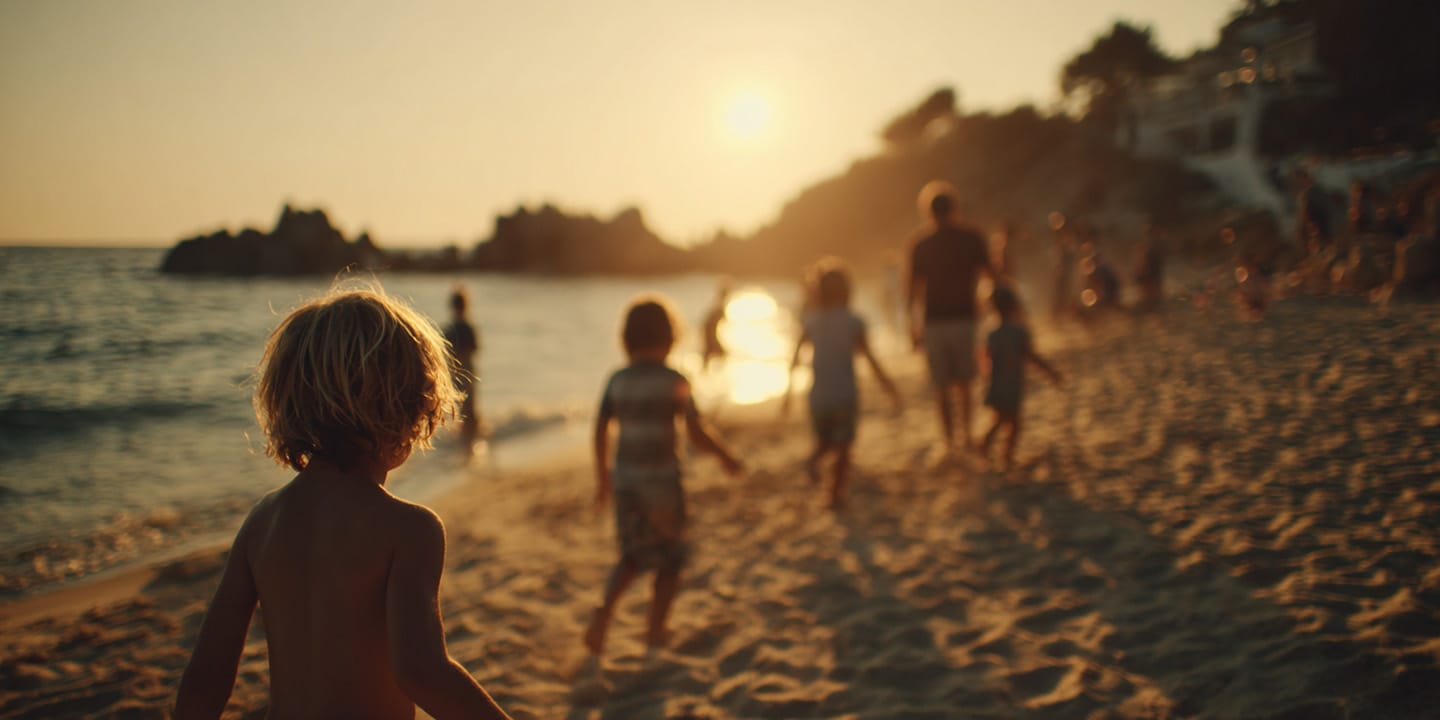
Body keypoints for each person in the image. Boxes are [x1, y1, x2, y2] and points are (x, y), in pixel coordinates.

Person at [174, 287, 511, 720]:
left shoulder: (262, 523)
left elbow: (207, 675)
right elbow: (422, 672)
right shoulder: (408, 530)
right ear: (408, 410)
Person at [585, 297, 742, 657]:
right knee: (670, 559)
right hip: (664, 487)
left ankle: (604, 613)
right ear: (671, 337)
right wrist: (726, 456)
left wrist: (603, 481)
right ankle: (655, 630)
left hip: (626, 484)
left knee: (632, 556)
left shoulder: (617, 380)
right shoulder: (675, 380)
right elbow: (697, 432)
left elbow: (598, 430)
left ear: (625, 339)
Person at [784, 259, 900, 509]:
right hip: (845, 395)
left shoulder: (811, 321)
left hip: (818, 397)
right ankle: (835, 494)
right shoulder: (853, 321)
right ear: (848, 290)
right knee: (843, 449)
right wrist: (889, 388)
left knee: (824, 443)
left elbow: (794, 359)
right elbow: (870, 359)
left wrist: (787, 395)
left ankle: (813, 461)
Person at [906, 181, 995, 454]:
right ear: (955, 208)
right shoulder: (971, 237)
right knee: (964, 381)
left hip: (934, 321)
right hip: (965, 318)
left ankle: (949, 440)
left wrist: (912, 326)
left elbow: (911, 291)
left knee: (941, 385)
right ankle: (966, 435)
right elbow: (991, 276)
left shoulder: (920, 244)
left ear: (927, 212)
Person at [980, 285, 1062, 470]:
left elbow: (985, 360)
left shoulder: (992, 335)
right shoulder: (1019, 333)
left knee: (1000, 420)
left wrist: (988, 379)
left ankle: (987, 446)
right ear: (1015, 306)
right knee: (1014, 423)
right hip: (1012, 385)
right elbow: (1031, 357)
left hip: (996, 385)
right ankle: (1005, 455)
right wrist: (1051, 373)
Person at [443, 287, 482, 447]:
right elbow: (475, 348)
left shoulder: (449, 329)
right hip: (469, 370)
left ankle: (465, 440)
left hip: (453, 372)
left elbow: (444, 352)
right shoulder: (468, 327)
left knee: (459, 407)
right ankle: (472, 438)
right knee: (470, 406)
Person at [701, 279, 732, 371]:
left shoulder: (719, 306)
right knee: (720, 356)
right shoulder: (720, 307)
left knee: (708, 360)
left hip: (710, 336)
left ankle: (709, 378)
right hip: (710, 336)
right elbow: (709, 324)